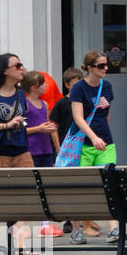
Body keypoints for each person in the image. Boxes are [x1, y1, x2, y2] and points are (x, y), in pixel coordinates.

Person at [70, 50, 127, 244]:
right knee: (80, 188)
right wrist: (93, 137)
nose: (106, 68)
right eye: (101, 65)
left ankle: (114, 229)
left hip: (105, 142)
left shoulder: (107, 86)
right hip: (84, 143)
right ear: (90, 68)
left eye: (106, 64)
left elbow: (106, 115)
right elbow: (78, 117)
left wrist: (102, 136)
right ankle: (76, 230)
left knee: (110, 183)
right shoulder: (79, 88)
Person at [50, 68, 94, 239]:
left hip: (83, 147)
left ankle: (84, 221)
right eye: (75, 82)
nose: (78, 85)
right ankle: (71, 220)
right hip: (67, 149)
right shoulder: (61, 104)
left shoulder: (86, 102)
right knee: (70, 186)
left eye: (80, 81)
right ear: (67, 85)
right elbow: (54, 127)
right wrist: (58, 147)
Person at [21, 72, 61, 236]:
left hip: (46, 149)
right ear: (34, 88)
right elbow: (21, 130)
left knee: (45, 185)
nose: (46, 86)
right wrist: (40, 129)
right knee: (31, 186)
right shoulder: (24, 104)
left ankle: (45, 224)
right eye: (43, 84)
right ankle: (22, 223)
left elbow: (47, 124)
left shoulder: (44, 104)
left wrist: (55, 141)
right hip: (32, 150)